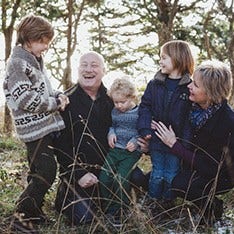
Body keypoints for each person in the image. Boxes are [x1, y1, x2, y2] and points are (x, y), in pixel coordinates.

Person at [3, 14, 69, 233]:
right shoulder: (17, 63)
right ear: (30, 39)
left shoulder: (34, 61)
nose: (46, 47)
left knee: (36, 170)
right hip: (33, 129)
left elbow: (43, 90)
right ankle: (21, 217)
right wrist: (54, 104)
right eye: (44, 42)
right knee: (46, 170)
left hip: (43, 126)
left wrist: (58, 95)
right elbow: (25, 99)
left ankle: (34, 211)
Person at [154, 60, 234, 225]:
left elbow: (212, 167)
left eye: (196, 85)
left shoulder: (227, 122)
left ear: (211, 93)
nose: (189, 86)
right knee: (153, 178)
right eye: (191, 80)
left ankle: (211, 209)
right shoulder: (191, 106)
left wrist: (174, 145)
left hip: (219, 175)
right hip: (193, 164)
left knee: (178, 183)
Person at [54, 51, 114, 225]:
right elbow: (59, 146)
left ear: (103, 70)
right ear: (77, 69)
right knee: (83, 217)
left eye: (94, 65)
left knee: (137, 181)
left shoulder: (113, 100)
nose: (88, 69)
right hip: (78, 175)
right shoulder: (66, 101)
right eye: (84, 65)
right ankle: (65, 197)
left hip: (108, 171)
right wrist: (79, 174)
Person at [137, 40, 195, 205]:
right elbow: (145, 107)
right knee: (157, 173)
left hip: (176, 144)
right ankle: (154, 202)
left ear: (177, 58)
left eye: (164, 57)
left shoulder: (188, 87)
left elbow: (190, 119)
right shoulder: (155, 84)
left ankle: (168, 204)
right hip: (156, 140)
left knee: (171, 174)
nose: (160, 61)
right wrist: (145, 128)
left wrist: (184, 143)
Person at [99, 78, 141, 222]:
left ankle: (121, 209)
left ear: (132, 97)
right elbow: (113, 125)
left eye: (122, 102)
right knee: (104, 176)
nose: (119, 106)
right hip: (115, 150)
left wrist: (136, 141)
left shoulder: (139, 112)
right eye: (116, 102)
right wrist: (111, 133)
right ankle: (109, 207)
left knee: (121, 179)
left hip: (130, 153)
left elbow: (142, 131)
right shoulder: (115, 111)